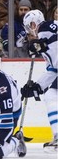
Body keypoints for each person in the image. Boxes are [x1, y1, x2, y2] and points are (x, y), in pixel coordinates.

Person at [21, 10, 57, 151]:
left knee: (52, 96)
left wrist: (41, 45)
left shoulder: (45, 29)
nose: (29, 31)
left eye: (29, 27)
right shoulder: (47, 35)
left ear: (33, 24)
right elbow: (53, 70)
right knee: (51, 94)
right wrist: (38, 86)